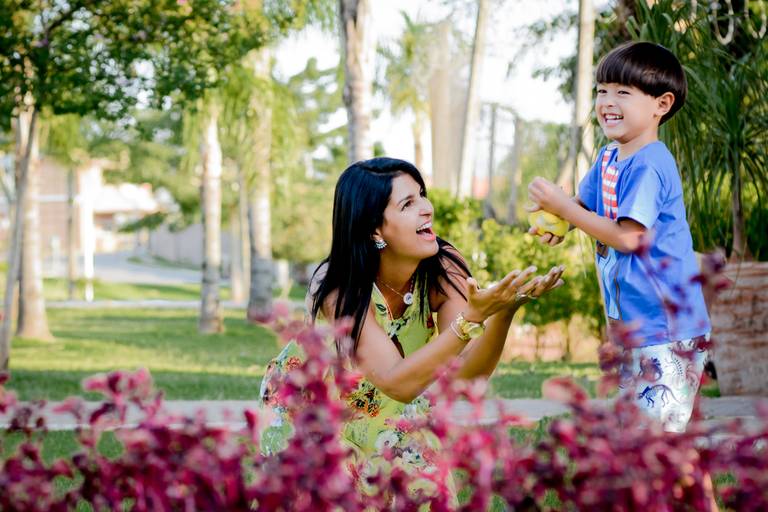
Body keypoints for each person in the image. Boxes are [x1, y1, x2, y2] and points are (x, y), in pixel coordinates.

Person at [260, 157, 565, 486]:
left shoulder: (442, 267)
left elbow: (466, 377)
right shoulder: (337, 285)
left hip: (390, 408)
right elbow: (397, 382)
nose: (426, 208)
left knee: (425, 489)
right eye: (408, 204)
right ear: (375, 229)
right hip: (312, 410)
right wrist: (471, 318)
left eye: (421, 194)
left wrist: (503, 313)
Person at [527, 42, 711, 434]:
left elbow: (629, 238)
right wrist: (558, 220)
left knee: (652, 438)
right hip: (635, 329)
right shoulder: (609, 157)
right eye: (602, 91)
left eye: (623, 92)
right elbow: (584, 205)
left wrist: (565, 210)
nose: (607, 102)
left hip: (667, 329)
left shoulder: (650, 164)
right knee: (643, 433)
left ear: (662, 104)